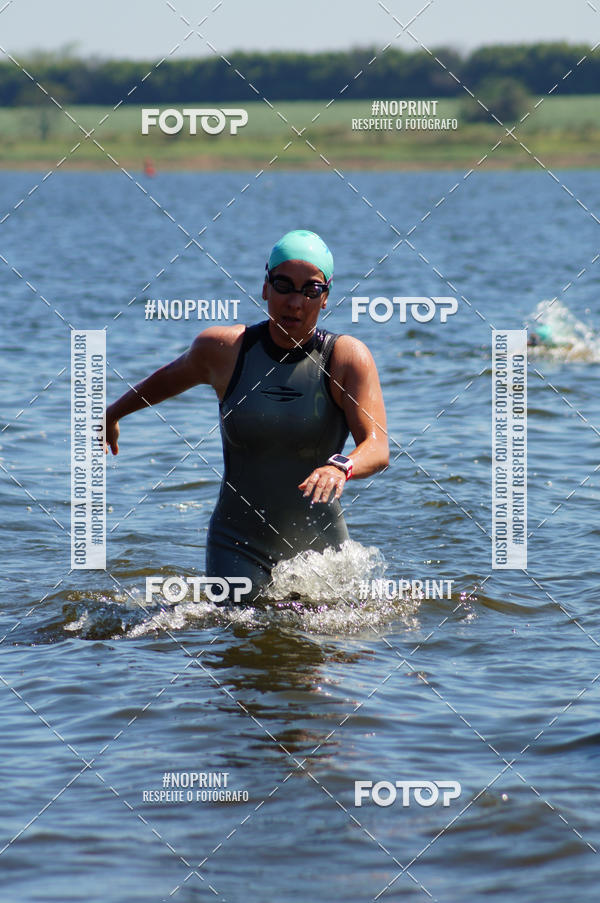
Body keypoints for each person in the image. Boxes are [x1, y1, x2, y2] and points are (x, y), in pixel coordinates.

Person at [106, 230, 389, 601]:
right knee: (233, 632)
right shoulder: (225, 350)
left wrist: (340, 467)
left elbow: (377, 447)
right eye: (284, 285)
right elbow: (166, 380)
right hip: (236, 546)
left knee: (326, 635)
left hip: (321, 552)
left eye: (311, 290)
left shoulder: (345, 359)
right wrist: (113, 413)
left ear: (325, 297)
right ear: (265, 287)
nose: (295, 301)